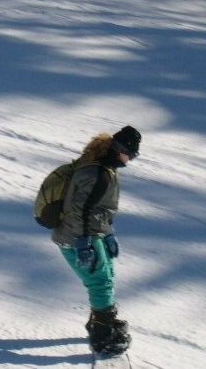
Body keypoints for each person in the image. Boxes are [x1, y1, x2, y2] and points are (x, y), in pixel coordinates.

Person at [53, 125, 140, 355]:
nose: (130, 160)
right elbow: (79, 210)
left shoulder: (106, 168)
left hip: (92, 233)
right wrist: (82, 242)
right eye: (130, 155)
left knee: (107, 274)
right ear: (120, 149)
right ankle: (102, 336)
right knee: (100, 281)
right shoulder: (97, 173)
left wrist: (108, 232)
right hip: (77, 237)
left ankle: (102, 319)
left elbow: (100, 209)